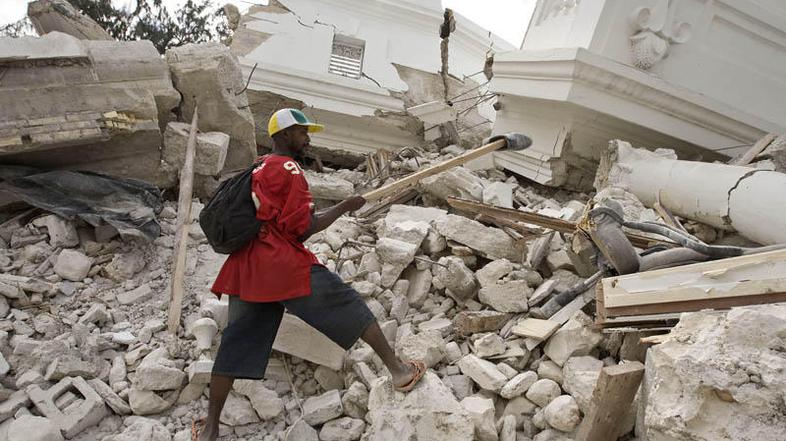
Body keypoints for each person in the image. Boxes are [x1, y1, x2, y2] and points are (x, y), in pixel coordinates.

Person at [195, 108, 426, 441]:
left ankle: (210, 430)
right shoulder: (289, 168)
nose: (308, 138)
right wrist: (346, 206)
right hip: (281, 263)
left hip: (247, 267)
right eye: (303, 132)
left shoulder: (259, 166)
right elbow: (304, 229)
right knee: (347, 304)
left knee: (236, 343)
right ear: (286, 134)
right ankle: (400, 371)